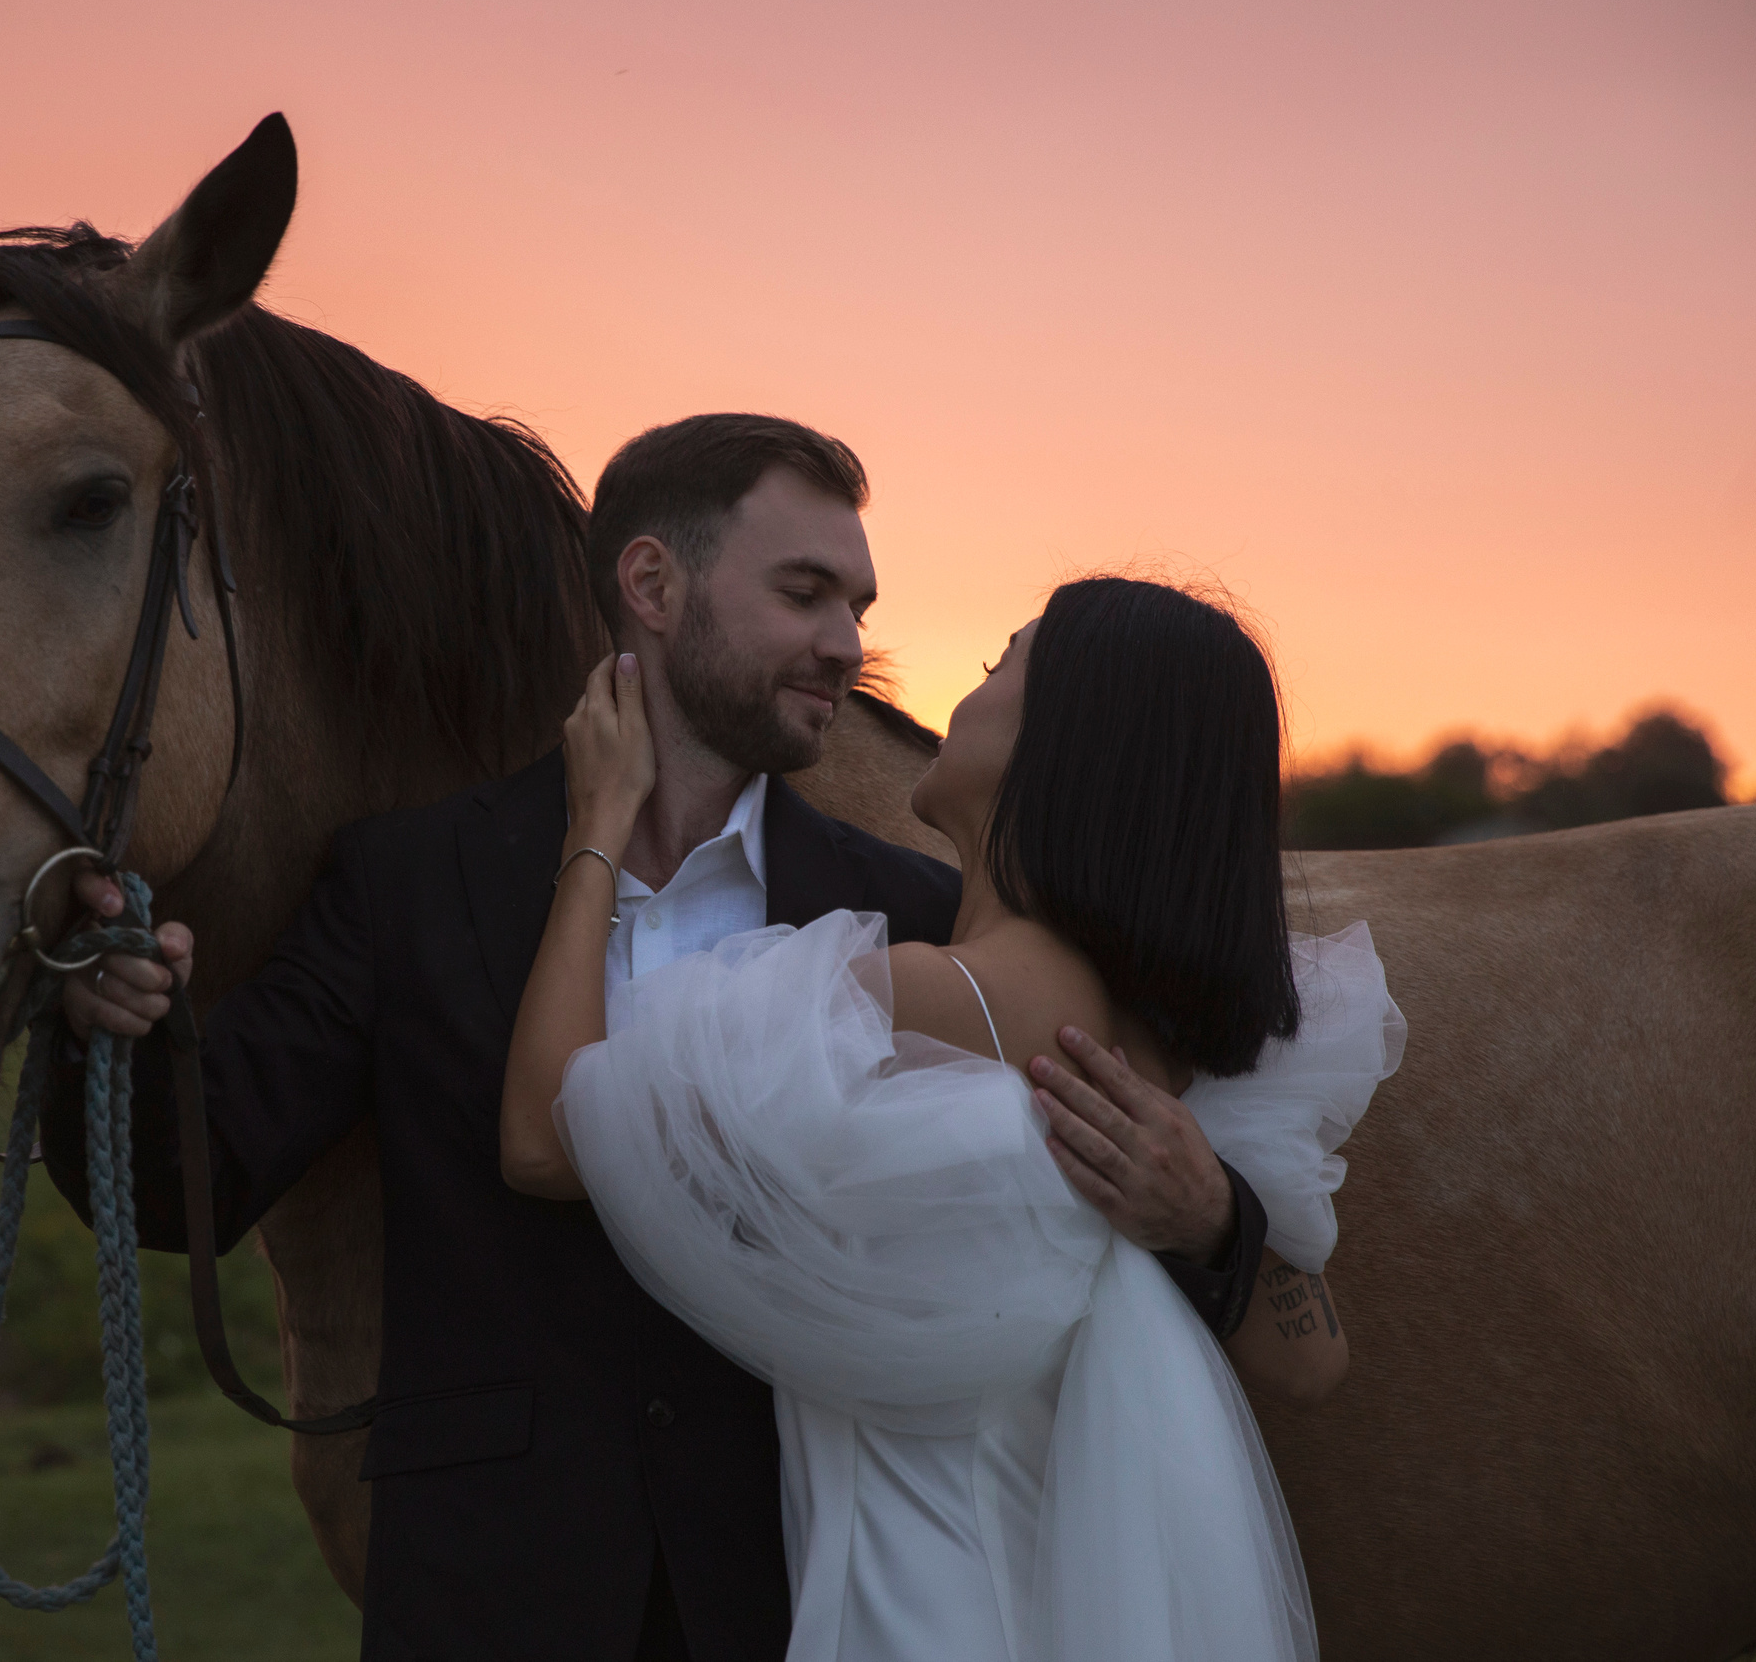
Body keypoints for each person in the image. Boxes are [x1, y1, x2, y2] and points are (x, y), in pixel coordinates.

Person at [57, 419, 1278, 1662]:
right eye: (804, 593)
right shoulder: (411, 879)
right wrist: (106, 1025)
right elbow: (183, 1183)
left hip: (799, 1595)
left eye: (855, 604)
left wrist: (1219, 1220)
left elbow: (1096, 1208)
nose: (847, 648)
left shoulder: (912, 918)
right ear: (651, 586)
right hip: (490, 1596)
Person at [497, 576, 1406, 1661]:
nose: (957, 695)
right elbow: (1313, 1362)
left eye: (993, 667)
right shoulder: (1186, 1039)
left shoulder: (915, 1003)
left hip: (919, 1606)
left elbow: (545, 1136)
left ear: (1061, 741)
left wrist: (595, 827)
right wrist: (1214, 1216)